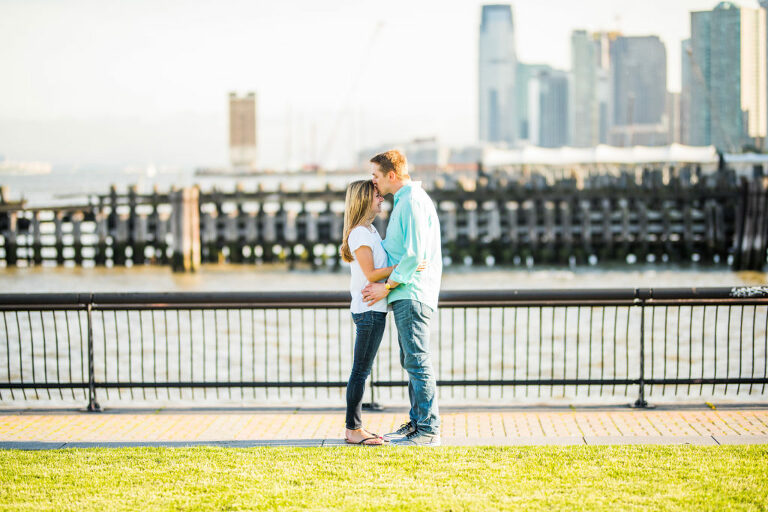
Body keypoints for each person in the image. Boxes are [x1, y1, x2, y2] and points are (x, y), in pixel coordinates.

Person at [362, 149, 442, 447]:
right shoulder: (407, 200)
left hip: (411, 292)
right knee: (411, 359)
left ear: (391, 175)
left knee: (417, 360)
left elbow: (414, 254)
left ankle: (427, 429)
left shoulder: (411, 201)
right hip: (407, 291)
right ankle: (417, 423)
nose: (373, 181)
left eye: (376, 175)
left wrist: (386, 287)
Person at [339, 179, 392, 445]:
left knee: (363, 370)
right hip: (368, 311)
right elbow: (371, 274)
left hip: (375, 310)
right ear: (364, 200)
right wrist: (403, 268)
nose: (381, 199)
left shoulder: (370, 231)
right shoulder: (359, 233)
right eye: (377, 196)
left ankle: (355, 427)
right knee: (360, 371)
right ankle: (353, 429)